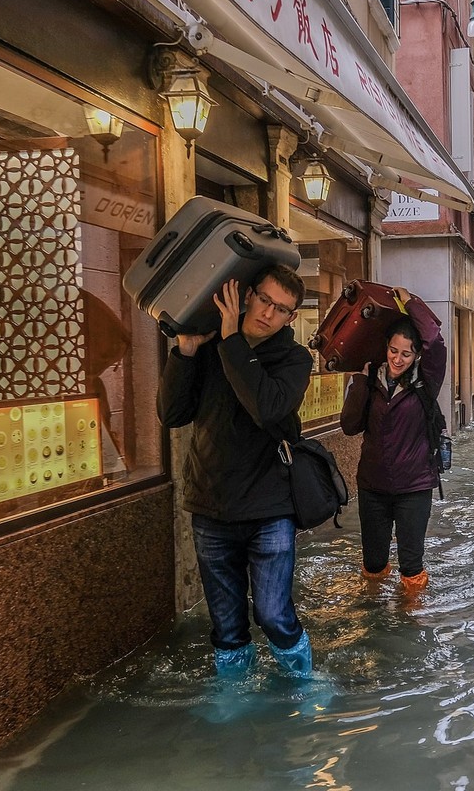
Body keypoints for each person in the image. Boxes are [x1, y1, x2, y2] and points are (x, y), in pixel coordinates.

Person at [158, 265, 314, 679]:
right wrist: (186, 351)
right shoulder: (210, 348)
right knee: (226, 627)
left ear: (291, 318)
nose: (268, 313)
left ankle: (304, 684)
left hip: (269, 509)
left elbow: (267, 407)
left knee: (273, 615)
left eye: (281, 309)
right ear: (248, 296)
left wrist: (230, 341)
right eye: (264, 300)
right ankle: (234, 701)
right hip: (211, 506)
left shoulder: (295, 359)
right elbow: (171, 414)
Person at [340, 287, 446, 594]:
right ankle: (374, 613)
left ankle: (409, 621)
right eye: (393, 350)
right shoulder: (369, 380)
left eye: (406, 353)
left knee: (411, 565)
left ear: (416, 356)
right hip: (373, 487)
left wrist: (411, 302)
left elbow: (436, 342)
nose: (398, 359)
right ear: (385, 347)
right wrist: (359, 380)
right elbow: (349, 426)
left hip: (414, 487)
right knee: (373, 563)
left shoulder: (426, 381)